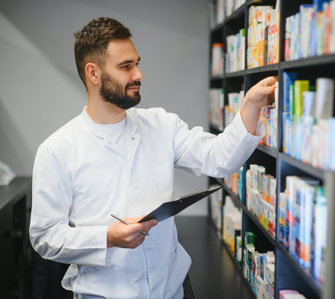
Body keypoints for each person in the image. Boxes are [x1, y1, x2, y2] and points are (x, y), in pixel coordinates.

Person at [29, 17, 276, 299]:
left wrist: (251, 104)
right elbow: (45, 237)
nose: (139, 75)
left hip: (172, 291)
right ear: (93, 73)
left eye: (137, 63)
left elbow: (219, 158)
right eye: (126, 67)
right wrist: (107, 237)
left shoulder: (160, 125)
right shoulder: (58, 150)